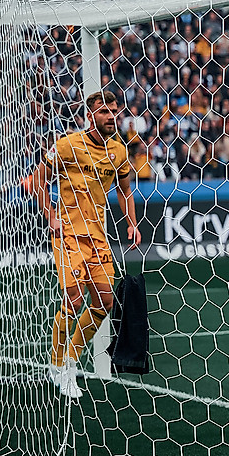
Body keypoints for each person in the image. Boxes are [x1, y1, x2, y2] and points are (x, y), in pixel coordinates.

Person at [32, 91, 141, 399]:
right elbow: (38, 180)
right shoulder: (67, 145)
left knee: (105, 303)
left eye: (114, 111)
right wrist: (50, 214)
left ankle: (70, 359)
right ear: (90, 116)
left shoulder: (118, 151)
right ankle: (58, 366)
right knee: (74, 301)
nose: (111, 116)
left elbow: (125, 189)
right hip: (67, 237)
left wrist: (132, 222)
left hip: (98, 238)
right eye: (104, 111)